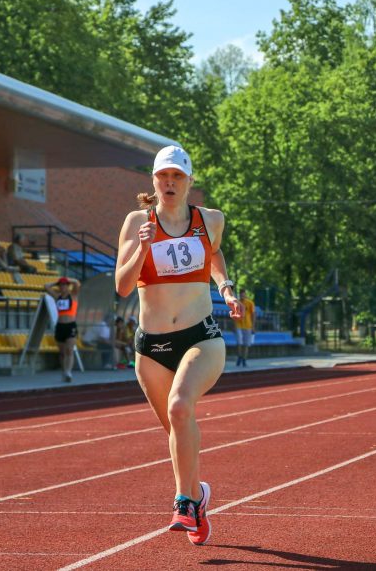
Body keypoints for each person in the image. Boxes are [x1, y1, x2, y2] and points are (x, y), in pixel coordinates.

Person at [115, 144, 242, 546]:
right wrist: (142, 246)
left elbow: (215, 252)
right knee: (176, 428)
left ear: (189, 182)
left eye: (177, 177)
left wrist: (226, 287)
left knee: (180, 406)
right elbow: (121, 287)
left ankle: (184, 499)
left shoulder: (211, 220)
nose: (169, 183)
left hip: (200, 336)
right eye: (162, 176)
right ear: (153, 181)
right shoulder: (137, 221)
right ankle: (199, 499)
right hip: (150, 347)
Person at [44, 276, 81, 382]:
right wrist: (56, 283)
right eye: (61, 285)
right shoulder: (57, 296)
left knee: (69, 350)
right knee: (62, 352)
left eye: (64, 285)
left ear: (68, 286)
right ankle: (64, 370)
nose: (62, 287)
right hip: (60, 326)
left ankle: (68, 372)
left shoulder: (73, 296)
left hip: (70, 325)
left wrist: (68, 280)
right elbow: (46, 286)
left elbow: (77, 283)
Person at [233, 289, 256, 367]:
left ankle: (244, 359)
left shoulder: (250, 303)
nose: (242, 295)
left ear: (246, 295)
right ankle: (239, 356)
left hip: (248, 326)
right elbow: (233, 314)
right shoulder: (236, 303)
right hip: (238, 325)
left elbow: (253, 314)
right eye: (241, 294)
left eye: (244, 294)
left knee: (246, 344)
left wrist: (253, 326)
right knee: (239, 343)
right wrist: (234, 325)